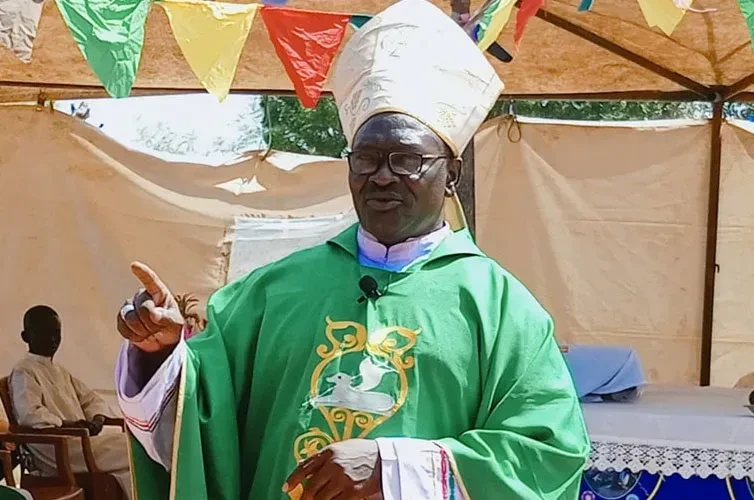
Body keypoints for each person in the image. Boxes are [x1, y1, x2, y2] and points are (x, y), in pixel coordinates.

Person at [114, 1, 590, 498]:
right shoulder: (268, 293)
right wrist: (159, 355)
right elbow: (200, 425)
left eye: (406, 159)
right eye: (366, 158)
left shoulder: (501, 310)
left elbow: (548, 455)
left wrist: (395, 468)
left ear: (452, 174)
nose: (382, 176)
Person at [9, 305, 131, 499]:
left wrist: (97, 419)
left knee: (129, 470)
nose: (52, 339)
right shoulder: (24, 371)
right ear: (26, 336)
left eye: (56, 333)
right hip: (57, 451)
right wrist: (70, 425)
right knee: (134, 449)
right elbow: (30, 415)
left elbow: (90, 398)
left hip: (81, 442)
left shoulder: (60, 371)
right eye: (45, 333)